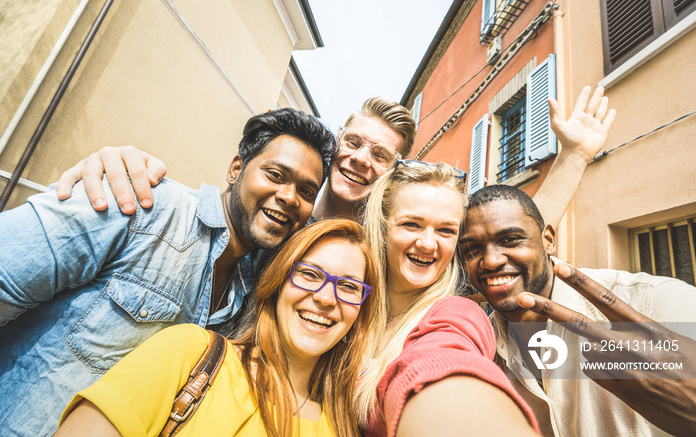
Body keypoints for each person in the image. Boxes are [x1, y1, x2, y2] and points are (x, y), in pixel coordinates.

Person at [0, 108, 335, 436]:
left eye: (307, 191)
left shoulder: (260, 289)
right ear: (236, 169)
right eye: (275, 175)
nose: (290, 197)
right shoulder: (140, 206)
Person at [55, 86, 614, 227]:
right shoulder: (277, 205)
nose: (360, 160)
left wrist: (573, 158)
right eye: (354, 144)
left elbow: (507, 231)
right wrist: (119, 158)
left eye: (380, 155)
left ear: (394, 170)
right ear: (337, 142)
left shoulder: (393, 230)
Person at [56, 219, 379, 437]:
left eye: (350, 287)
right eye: (310, 274)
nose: (325, 298)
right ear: (278, 282)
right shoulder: (188, 354)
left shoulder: (343, 427)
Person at [460, 184, 696, 437]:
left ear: (548, 240)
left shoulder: (652, 299)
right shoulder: (479, 347)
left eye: (510, 240)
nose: (491, 260)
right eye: (472, 249)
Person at [354, 161, 539, 437]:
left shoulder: (458, 314)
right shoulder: (345, 299)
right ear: (382, 227)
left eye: (446, 230)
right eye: (412, 224)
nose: (428, 244)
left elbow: (444, 365)